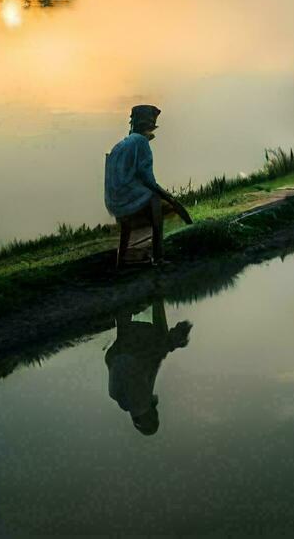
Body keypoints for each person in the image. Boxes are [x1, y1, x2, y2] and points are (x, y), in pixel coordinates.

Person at [104, 104, 191, 267]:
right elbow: (149, 180)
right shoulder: (141, 143)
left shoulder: (122, 145)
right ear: (148, 126)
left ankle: (121, 258)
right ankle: (158, 257)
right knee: (155, 199)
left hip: (113, 200)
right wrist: (171, 198)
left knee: (129, 222)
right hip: (125, 198)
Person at [105, 296, 192, 436]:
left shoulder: (141, 402)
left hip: (127, 352)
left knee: (160, 335)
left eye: (155, 416)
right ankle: (124, 307)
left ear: (151, 417)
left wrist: (172, 342)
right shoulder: (126, 403)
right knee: (146, 341)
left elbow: (150, 362)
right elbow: (148, 365)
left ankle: (156, 295)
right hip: (117, 354)